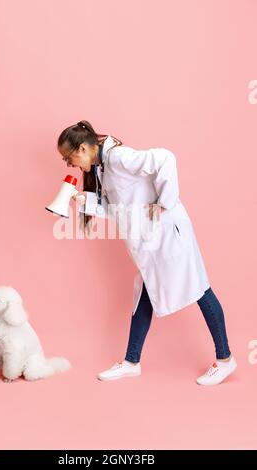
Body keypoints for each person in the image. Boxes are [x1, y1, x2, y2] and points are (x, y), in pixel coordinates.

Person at [57, 120, 237, 386]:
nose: (69, 164)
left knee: (200, 289)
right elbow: (118, 208)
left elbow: (165, 158)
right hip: (152, 244)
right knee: (146, 292)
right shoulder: (104, 168)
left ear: (83, 148)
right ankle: (131, 362)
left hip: (169, 236)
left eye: (68, 158)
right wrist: (86, 200)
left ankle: (225, 360)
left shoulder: (118, 158)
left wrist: (164, 202)